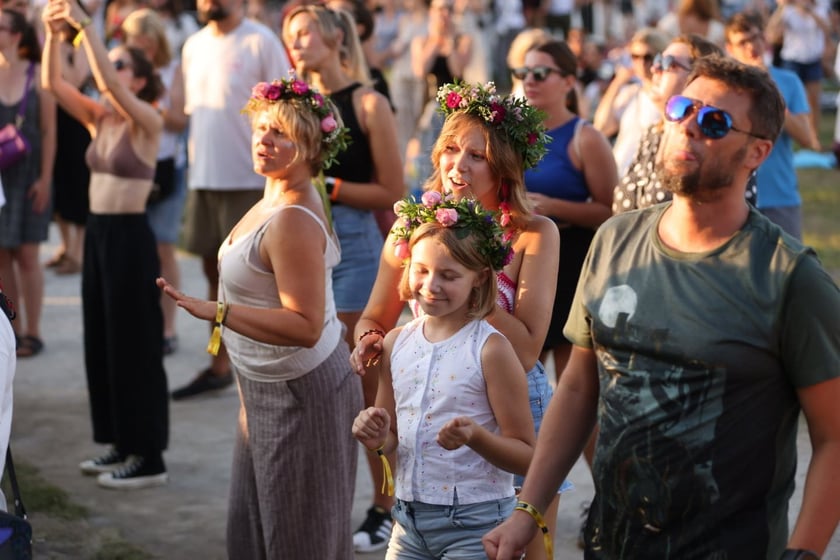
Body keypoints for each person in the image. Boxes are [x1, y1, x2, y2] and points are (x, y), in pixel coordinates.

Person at [483, 55, 840, 560]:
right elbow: (581, 387)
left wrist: (803, 553)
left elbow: (834, 438)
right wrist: (529, 510)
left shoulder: (790, 276)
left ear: (757, 152)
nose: (689, 128)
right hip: (612, 544)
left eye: (714, 122)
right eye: (682, 109)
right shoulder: (613, 241)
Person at [350, 81, 561, 559]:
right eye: (449, 149)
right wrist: (368, 340)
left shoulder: (534, 234)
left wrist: (471, 276)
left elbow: (527, 349)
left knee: (529, 548)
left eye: (476, 156)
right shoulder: (411, 226)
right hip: (432, 398)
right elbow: (374, 317)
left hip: (513, 407)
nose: (457, 166)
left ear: (504, 166)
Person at [158, 74, 362, 559]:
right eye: (262, 128)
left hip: (303, 395)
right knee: (253, 534)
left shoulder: (292, 215)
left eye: (281, 135)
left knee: (299, 539)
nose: (264, 141)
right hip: (265, 390)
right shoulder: (275, 192)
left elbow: (306, 325)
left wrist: (220, 312)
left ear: (312, 149)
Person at [281, 6, 404, 552]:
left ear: (335, 36)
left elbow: (393, 192)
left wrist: (327, 188)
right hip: (296, 241)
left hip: (354, 248)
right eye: (291, 35)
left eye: (306, 31)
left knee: (362, 390)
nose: (298, 42)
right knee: (308, 386)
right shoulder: (289, 104)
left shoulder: (368, 101)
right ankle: (319, 503)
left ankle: (384, 507)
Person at [352, 196, 536, 559]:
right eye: (420, 269)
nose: (431, 285)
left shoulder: (491, 350)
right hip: (406, 523)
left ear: (480, 278)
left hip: (477, 525)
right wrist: (374, 436)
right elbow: (391, 441)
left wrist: (476, 437)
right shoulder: (395, 342)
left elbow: (528, 456)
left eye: (449, 275)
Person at [42, 0, 169, 488]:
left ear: (138, 79)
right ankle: (121, 440)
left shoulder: (146, 121)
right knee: (104, 341)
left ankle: (149, 455)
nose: (110, 71)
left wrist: (84, 26)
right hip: (97, 235)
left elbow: (109, 83)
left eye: (120, 64)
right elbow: (55, 85)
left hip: (129, 238)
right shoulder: (100, 120)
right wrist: (54, 33)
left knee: (136, 344)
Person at [173, 0, 290, 399]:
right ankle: (220, 362)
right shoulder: (193, 44)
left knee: (255, 278)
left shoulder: (260, 41)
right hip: (204, 175)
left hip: (249, 179)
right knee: (213, 275)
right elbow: (188, 113)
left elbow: (286, 106)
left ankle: (260, 362)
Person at [520, 39, 616, 384]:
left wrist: (552, 206)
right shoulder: (513, 135)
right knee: (519, 372)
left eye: (541, 72)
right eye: (524, 71)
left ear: (569, 81)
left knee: (571, 381)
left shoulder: (585, 137)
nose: (530, 79)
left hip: (570, 259)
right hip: (520, 259)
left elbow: (610, 211)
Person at [122, 8, 188, 356]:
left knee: (163, 247)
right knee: (133, 249)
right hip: (132, 167)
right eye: (136, 46)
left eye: (147, 47)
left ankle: (167, 328)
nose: (141, 54)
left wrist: (152, 108)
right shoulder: (122, 68)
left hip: (164, 169)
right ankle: (138, 323)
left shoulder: (172, 70)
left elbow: (179, 120)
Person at [725, 11, 819, 240]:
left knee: (788, 272)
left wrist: (770, 89)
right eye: (743, 42)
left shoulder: (788, 81)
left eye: (756, 38)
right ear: (730, 49)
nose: (751, 46)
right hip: (735, 197)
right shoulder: (725, 88)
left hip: (781, 196)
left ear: (765, 40)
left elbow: (808, 139)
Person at [613, 34, 729, 213]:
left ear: (696, 79)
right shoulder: (651, 133)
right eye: (658, 59)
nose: (655, 68)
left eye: (669, 63)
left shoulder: (710, 140)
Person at [0, 7, 55, 359]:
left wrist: (46, 178)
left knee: (29, 256)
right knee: (3, 255)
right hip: (1, 179)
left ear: (17, 35)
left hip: (31, 175)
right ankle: (12, 329)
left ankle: (33, 331)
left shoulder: (39, 76)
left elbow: (50, 134)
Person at [593, 28, 667, 177]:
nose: (641, 63)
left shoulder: (667, 97)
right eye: (635, 56)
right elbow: (602, 127)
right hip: (620, 172)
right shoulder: (629, 92)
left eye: (648, 57)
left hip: (649, 177)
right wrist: (618, 82)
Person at [767, 0, 832, 137]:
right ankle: (784, 133)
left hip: (813, 60)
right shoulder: (788, 11)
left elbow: (827, 29)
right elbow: (771, 34)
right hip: (792, 60)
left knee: (814, 101)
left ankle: (813, 138)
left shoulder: (819, 8)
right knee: (785, 100)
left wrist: (809, 11)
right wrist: (782, 7)